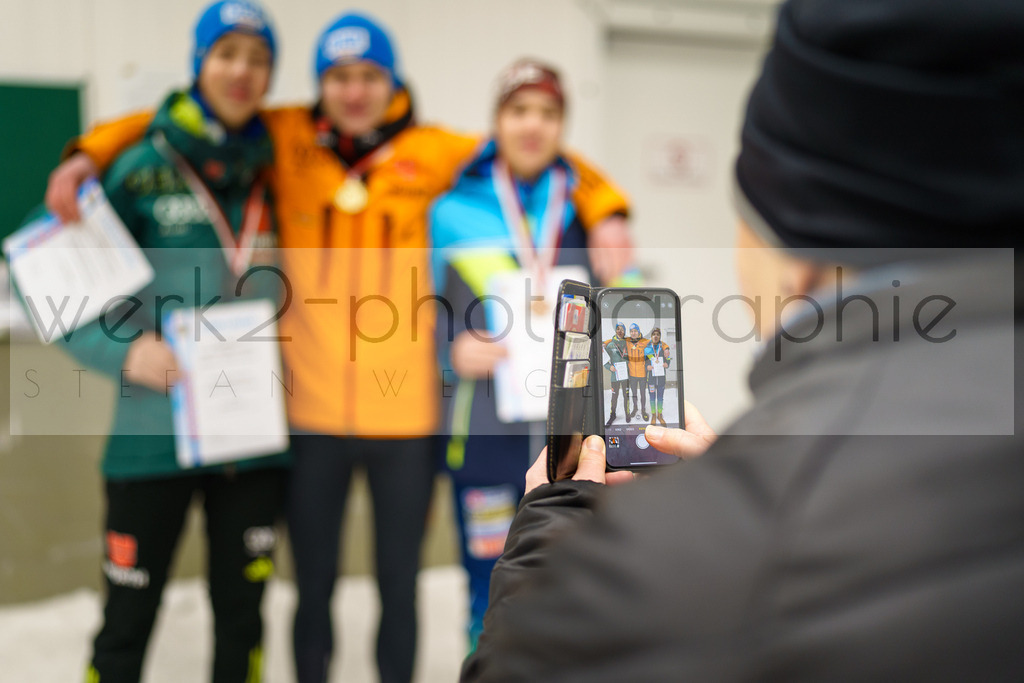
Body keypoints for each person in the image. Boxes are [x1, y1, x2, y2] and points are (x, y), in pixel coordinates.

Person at [45, 14, 632, 683]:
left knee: (398, 588)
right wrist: (89, 153)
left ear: (392, 80)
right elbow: (169, 123)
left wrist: (606, 201)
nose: (355, 92)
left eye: (369, 76)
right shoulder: (284, 134)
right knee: (312, 591)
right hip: (311, 416)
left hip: (406, 419)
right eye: (338, 77)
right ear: (320, 83)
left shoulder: (434, 150)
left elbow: (530, 145)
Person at [461, 0, 1024, 680]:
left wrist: (549, 533)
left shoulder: (712, 556)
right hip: (490, 423)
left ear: (792, 258)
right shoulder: (454, 205)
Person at [43, 3, 288, 681]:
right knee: (127, 618)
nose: (242, 71)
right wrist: (123, 350)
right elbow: (42, 277)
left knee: (243, 618)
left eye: (259, 58)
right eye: (227, 53)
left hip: (251, 440)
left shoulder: (279, 164)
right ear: (199, 62)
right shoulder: (135, 167)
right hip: (152, 438)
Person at [429, 58, 635, 652]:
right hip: (485, 432)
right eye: (519, 111)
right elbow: (417, 309)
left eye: (548, 114)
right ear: (496, 120)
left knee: (574, 575)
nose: (532, 126)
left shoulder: (590, 213)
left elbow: (624, 311)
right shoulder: (450, 211)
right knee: (486, 576)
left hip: (575, 433)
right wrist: (451, 352)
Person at [603, 321, 631, 425]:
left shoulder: (628, 344)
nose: (620, 331)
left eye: (622, 329)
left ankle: (627, 413)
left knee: (626, 396)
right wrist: (609, 367)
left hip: (625, 376)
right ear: (616, 330)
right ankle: (612, 414)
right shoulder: (610, 345)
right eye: (618, 329)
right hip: (615, 377)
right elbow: (604, 360)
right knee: (614, 396)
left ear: (624, 331)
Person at [643, 326, 670, 426]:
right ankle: (654, 415)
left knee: (660, 397)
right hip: (651, 379)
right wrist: (647, 367)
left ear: (660, 336)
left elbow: (668, 359)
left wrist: (667, 364)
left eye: (658, 335)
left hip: (662, 378)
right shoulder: (647, 349)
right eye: (654, 334)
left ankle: (660, 414)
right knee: (652, 397)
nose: (656, 336)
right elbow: (645, 363)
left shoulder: (663, 348)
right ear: (651, 336)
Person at [624, 322, 649, 421]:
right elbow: (614, 340)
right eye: (631, 331)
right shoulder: (627, 341)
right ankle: (635, 408)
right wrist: (605, 343)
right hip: (632, 374)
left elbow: (658, 343)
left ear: (638, 332)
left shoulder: (645, 341)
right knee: (634, 393)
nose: (633, 333)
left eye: (635, 331)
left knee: (643, 393)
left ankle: (643, 410)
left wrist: (666, 348)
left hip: (642, 373)